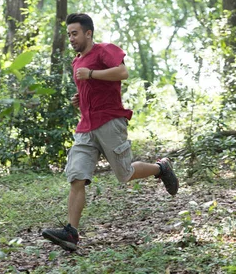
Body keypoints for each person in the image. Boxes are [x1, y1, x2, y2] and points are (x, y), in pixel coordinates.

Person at [42, 13, 179, 252]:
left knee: (124, 174)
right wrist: (80, 97)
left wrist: (92, 74)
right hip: (86, 126)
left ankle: (161, 168)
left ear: (88, 33)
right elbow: (93, 88)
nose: (71, 38)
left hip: (110, 122)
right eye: (69, 34)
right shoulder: (76, 62)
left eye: (75, 33)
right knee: (77, 176)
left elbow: (122, 73)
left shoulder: (105, 50)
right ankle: (71, 232)